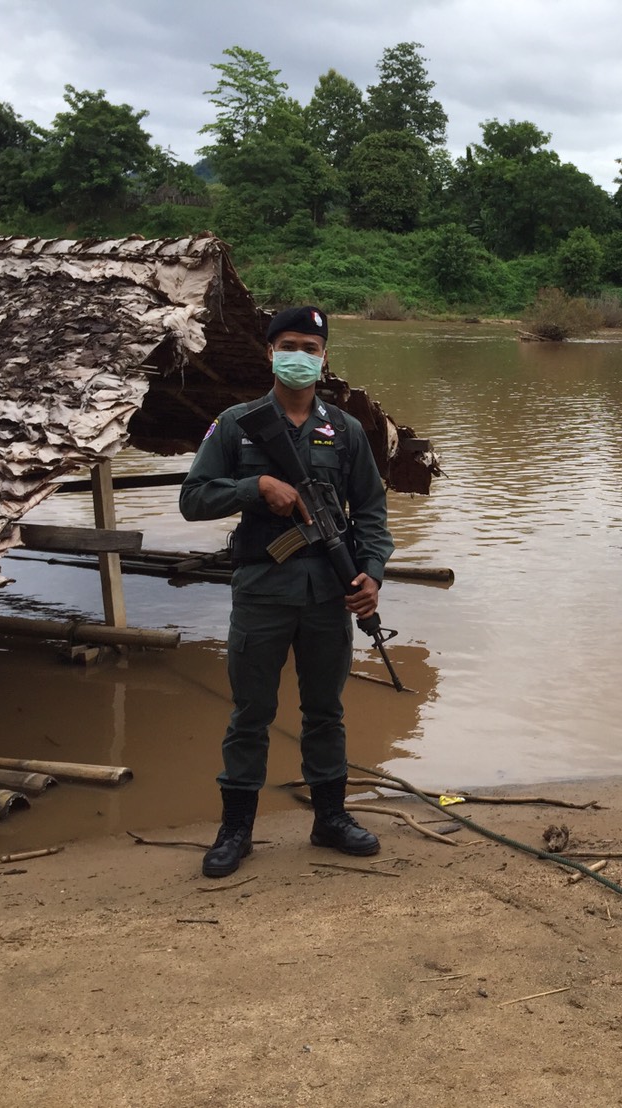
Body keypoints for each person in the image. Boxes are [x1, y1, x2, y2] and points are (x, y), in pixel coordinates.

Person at [180, 305, 394, 878]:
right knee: (251, 713)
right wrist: (255, 486)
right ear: (270, 352)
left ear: (324, 358)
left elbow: (372, 513)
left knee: (325, 712)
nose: (300, 356)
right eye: (289, 346)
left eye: (311, 348)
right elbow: (193, 498)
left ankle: (330, 820)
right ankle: (236, 830)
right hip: (262, 592)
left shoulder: (345, 430)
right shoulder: (237, 424)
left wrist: (371, 574)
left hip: (329, 595)